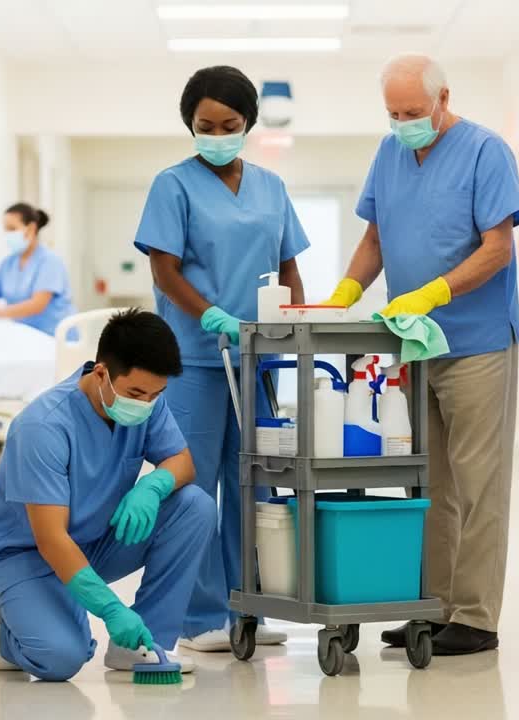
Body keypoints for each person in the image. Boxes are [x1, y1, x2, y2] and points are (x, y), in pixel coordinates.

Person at [320, 53, 519, 656]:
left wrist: (437, 290)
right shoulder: (389, 154)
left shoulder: (486, 151)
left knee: (480, 482)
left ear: (443, 99)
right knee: (428, 483)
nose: (404, 122)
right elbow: (376, 238)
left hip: (476, 342)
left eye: (414, 111)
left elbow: (499, 248)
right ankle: (433, 607)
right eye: (393, 113)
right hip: (413, 343)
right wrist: (342, 295)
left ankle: (476, 616)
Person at [132, 65, 308, 652]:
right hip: (193, 357)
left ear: (248, 123)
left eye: (228, 124)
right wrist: (209, 314)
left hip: (256, 356)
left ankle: (249, 606)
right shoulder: (172, 185)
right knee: (195, 486)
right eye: (204, 125)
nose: (216, 134)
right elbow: (164, 268)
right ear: (190, 125)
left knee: (254, 481)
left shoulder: (271, 187)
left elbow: (288, 265)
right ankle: (199, 616)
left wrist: (296, 326)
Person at [0, 309, 216, 681]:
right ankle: (7, 625)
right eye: (137, 393)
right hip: (27, 555)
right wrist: (110, 609)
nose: (146, 403)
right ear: (100, 372)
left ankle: (138, 646)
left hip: (93, 541)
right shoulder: (42, 428)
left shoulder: (146, 401)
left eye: (156, 394)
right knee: (62, 658)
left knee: (195, 506)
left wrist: (152, 487)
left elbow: (182, 462)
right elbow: (52, 539)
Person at [0, 203, 75, 335]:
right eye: (6, 230)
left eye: (12, 229)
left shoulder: (49, 261)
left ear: (31, 229)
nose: (8, 234)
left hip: (54, 338)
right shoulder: (8, 263)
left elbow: (37, 305)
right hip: (26, 335)